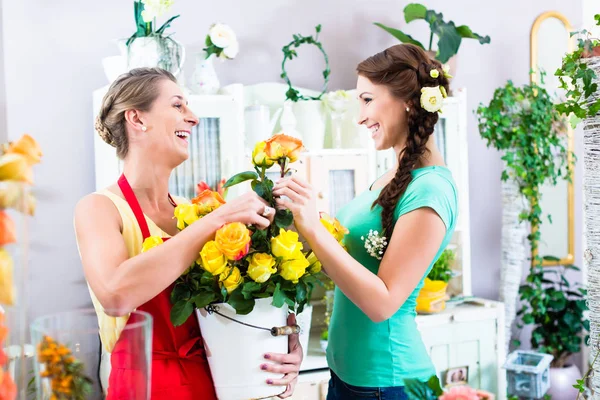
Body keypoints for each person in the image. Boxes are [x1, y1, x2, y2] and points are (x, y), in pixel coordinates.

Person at [74, 67, 301, 399]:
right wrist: (215, 221)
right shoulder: (99, 208)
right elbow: (115, 295)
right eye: (178, 105)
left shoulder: (191, 211)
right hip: (143, 388)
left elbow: (234, 310)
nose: (193, 118)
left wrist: (283, 337)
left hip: (209, 381)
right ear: (137, 119)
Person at [273, 43, 458, 399]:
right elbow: (351, 267)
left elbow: (382, 303)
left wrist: (313, 226)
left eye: (367, 99)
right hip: (349, 380)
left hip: (388, 386)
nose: (359, 117)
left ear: (407, 100)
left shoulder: (431, 190)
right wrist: (295, 222)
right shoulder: (393, 177)